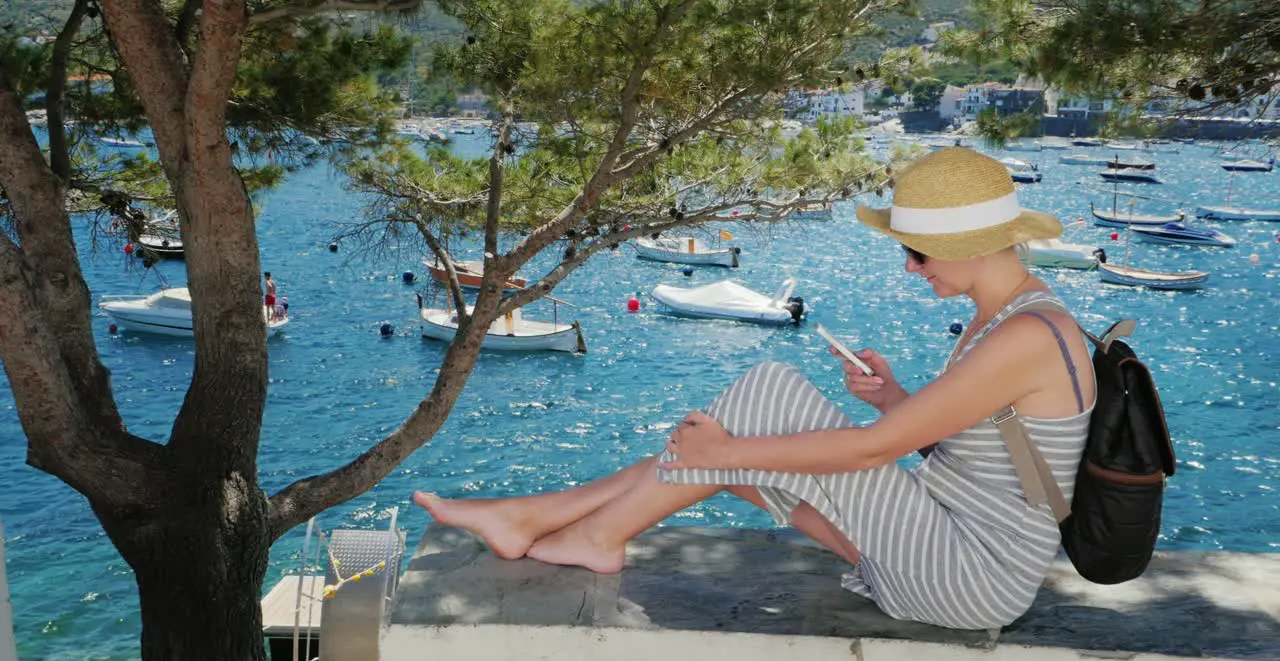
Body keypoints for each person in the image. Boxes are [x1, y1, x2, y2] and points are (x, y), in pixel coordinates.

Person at [413, 148, 1096, 631]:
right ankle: (539, 518)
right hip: (948, 548)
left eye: (917, 252)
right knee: (735, 459)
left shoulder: (1027, 336)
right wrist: (894, 397)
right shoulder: (1007, 314)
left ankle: (590, 532)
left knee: (765, 397)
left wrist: (726, 449)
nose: (911, 269)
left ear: (973, 244)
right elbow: (986, 450)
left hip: (971, 576)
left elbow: (871, 453)